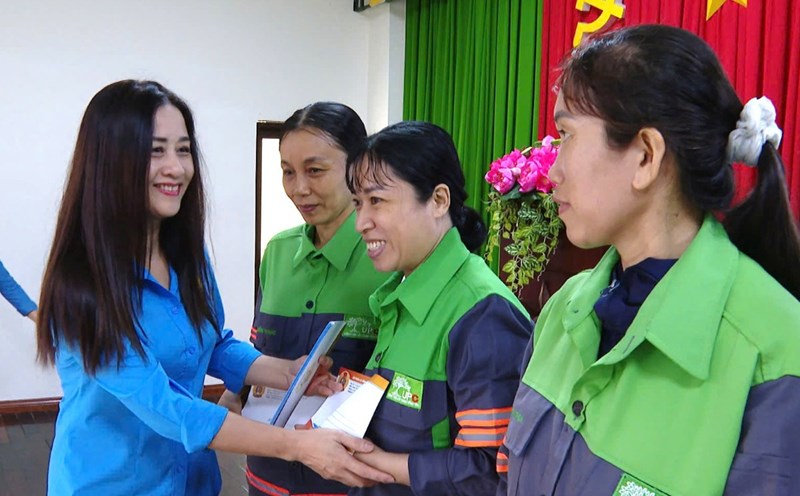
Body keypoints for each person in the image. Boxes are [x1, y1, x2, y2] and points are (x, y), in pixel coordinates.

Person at [35, 80, 393, 495]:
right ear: (111, 160)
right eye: (156, 150)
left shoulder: (186, 254)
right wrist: (296, 446)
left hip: (192, 480)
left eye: (183, 149)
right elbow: (168, 409)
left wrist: (287, 373)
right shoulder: (84, 283)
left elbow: (215, 344)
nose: (177, 167)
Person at [497, 24, 800, 496]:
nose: (552, 171)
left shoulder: (776, 354)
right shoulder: (563, 311)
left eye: (566, 135)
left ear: (645, 156)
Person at [345, 121, 534, 496]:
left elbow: (490, 469)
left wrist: (374, 464)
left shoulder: (481, 314)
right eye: (357, 203)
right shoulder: (398, 292)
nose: (361, 222)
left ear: (438, 200)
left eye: (377, 200)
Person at [217, 102, 390, 496]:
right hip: (266, 473)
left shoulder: (386, 255)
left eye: (315, 171)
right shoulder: (277, 251)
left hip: (345, 480)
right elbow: (261, 342)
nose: (299, 188)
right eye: (287, 172)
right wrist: (233, 393)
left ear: (357, 166)